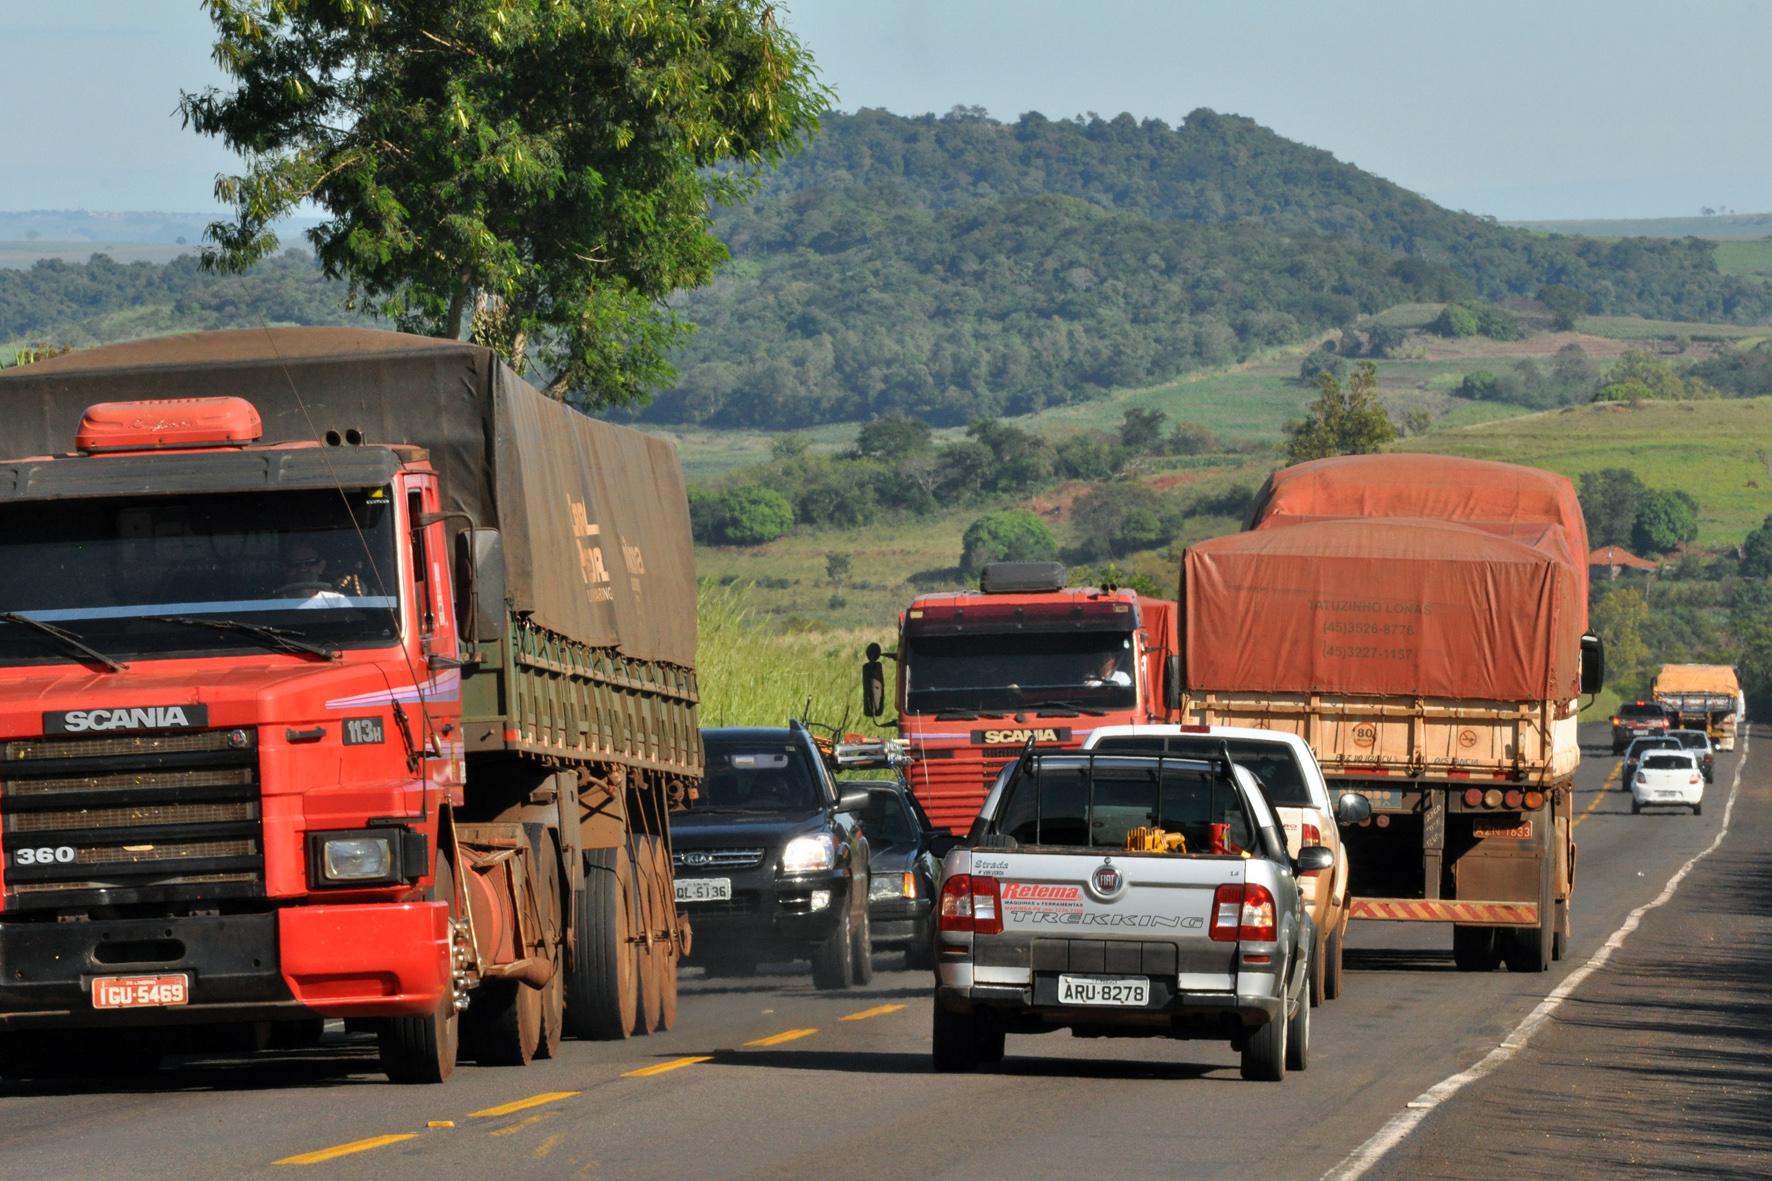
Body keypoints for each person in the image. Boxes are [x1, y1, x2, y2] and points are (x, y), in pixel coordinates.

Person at [275, 542, 350, 607]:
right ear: (285, 568)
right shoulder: (273, 604)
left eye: (309, 563)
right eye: (295, 564)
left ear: (321, 566)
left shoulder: (337, 601)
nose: (302, 569)